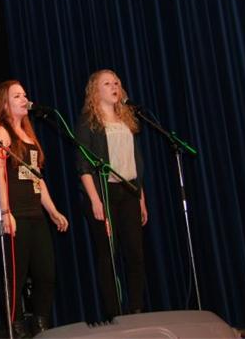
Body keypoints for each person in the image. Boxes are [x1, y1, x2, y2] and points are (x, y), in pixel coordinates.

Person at [0, 80, 68, 337]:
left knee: (46, 273)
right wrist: (5, 212)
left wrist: (53, 211)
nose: (24, 99)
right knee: (16, 277)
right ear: (4, 103)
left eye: (24, 94)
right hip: (16, 214)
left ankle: (41, 323)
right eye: (17, 96)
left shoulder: (29, 134)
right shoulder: (1, 132)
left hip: (35, 213)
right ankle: (17, 326)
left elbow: (37, 178)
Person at [75, 69, 147, 319]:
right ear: (95, 91)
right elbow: (83, 165)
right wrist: (95, 200)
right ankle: (114, 313)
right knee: (108, 254)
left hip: (129, 190)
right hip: (104, 192)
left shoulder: (127, 119)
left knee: (135, 253)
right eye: (107, 83)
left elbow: (135, 162)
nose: (114, 86)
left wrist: (141, 198)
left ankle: (136, 308)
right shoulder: (88, 122)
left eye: (116, 82)